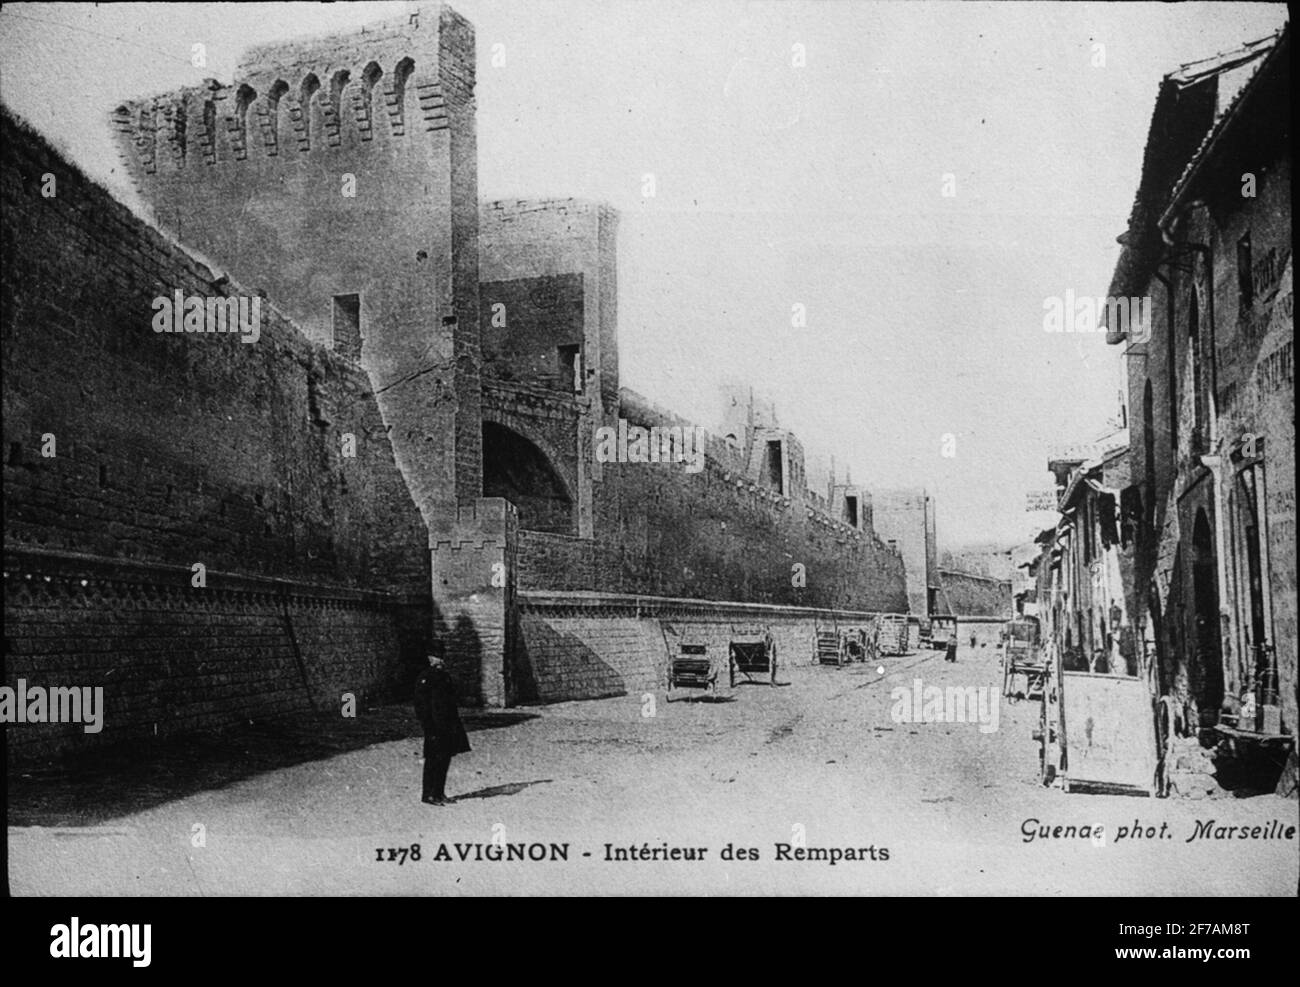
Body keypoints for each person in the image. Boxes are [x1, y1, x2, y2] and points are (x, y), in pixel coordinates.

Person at [413, 652, 470, 805]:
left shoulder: (444, 676)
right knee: (433, 759)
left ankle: (439, 792)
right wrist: (427, 725)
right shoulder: (425, 677)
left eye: (441, 658)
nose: (440, 661)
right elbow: (420, 704)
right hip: (433, 726)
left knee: (444, 758)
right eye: (436, 658)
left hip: (447, 725)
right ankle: (428, 795)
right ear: (430, 659)